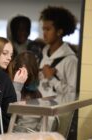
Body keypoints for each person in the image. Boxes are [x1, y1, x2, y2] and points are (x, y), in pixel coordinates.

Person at [38, 6, 78, 136]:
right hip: (40, 113)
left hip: (58, 119)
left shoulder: (70, 60)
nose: (44, 33)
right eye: (43, 29)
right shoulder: (44, 54)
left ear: (60, 31)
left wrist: (52, 79)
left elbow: (72, 95)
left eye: (48, 29)